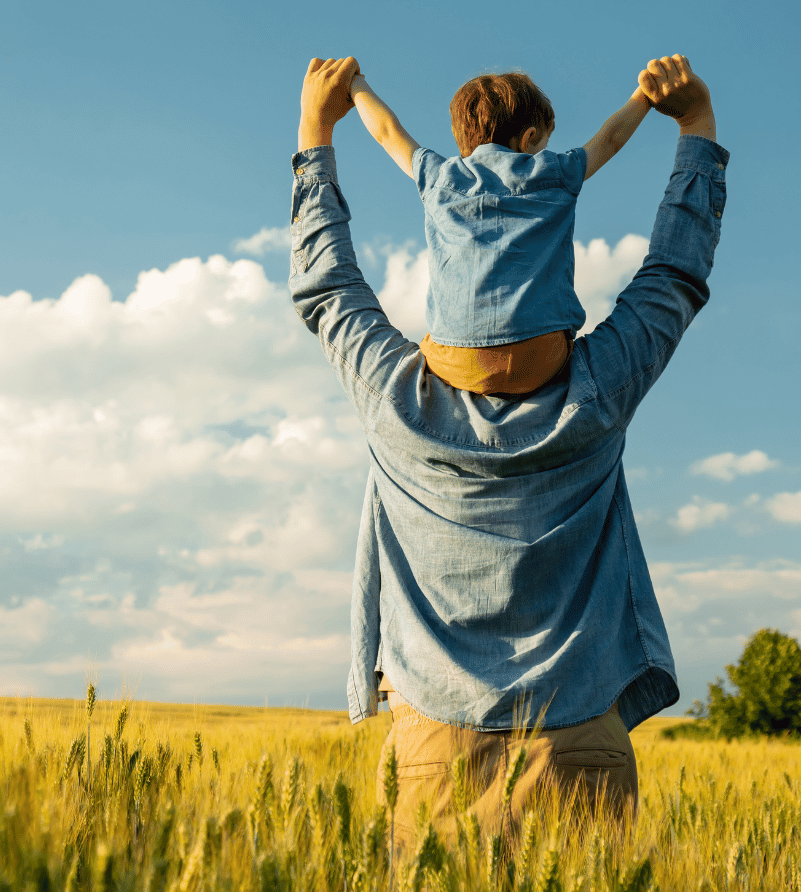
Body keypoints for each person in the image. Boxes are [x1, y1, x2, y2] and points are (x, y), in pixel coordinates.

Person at [289, 54, 726, 843]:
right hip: (580, 743)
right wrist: (694, 126)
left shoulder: (394, 401)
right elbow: (673, 276)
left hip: (434, 753)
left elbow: (328, 288)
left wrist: (316, 132)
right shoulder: (598, 393)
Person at [348, 69, 652, 395]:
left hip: (458, 363)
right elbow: (610, 139)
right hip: (541, 358)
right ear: (528, 138)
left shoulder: (438, 177)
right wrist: (644, 96)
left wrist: (355, 84)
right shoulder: (555, 172)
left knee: (426, 345)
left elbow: (387, 131)